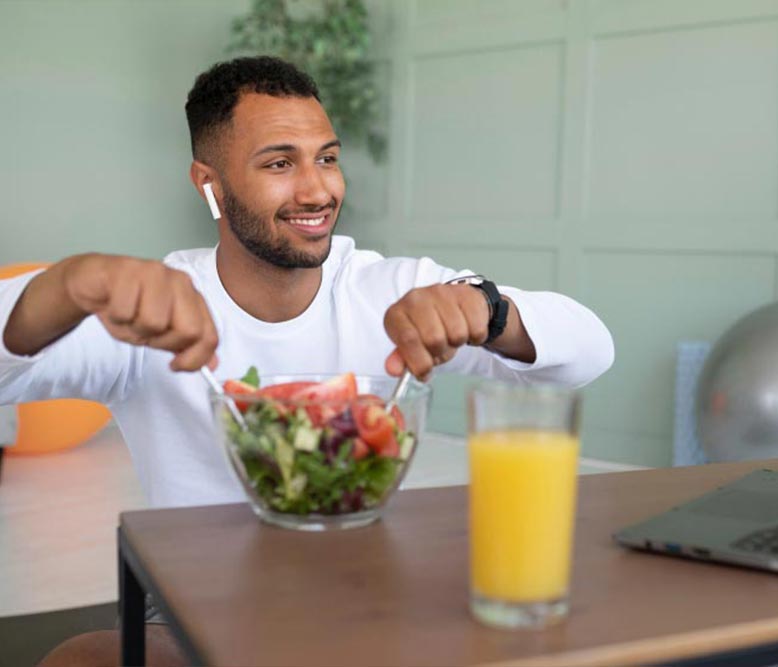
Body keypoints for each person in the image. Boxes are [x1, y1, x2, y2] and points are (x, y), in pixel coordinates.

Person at [0, 56, 613, 665]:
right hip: (197, 600)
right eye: (279, 163)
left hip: (370, 590)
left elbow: (589, 350)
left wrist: (489, 311)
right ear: (209, 184)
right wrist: (65, 287)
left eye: (326, 157)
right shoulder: (154, 308)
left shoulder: (388, 289)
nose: (318, 189)